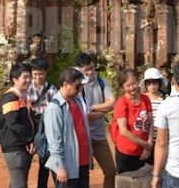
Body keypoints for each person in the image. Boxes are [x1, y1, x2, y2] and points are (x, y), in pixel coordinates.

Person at [43, 67, 92, 188]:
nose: (80, 89)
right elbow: (54, 142)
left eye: (81, 86)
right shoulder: (55, 108)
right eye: (77, 86)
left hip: (82, 161)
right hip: (67, 165)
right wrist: (59, 167)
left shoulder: (77, 102)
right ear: (65, 84)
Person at [75, 52, 117, 188]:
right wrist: (104, 111)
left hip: (99, 137)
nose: (90, 72)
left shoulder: (102, 82)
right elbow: (83, 115)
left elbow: (112, 103)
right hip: (82, 138)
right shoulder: (78, 87)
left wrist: (91, 107)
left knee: (111, 171)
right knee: (83, 174)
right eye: (86, 70)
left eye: (91, 68)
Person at [0, 62, 36, 188]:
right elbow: (13, 123)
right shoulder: (10, 98)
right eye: (25, 77)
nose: (28, 80)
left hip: (22, 147)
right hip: (15, 147)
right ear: (15, 79)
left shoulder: (22, 97)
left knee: (17, 183)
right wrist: (29, 139)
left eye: (29, 77)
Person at [111, 68, 153, 173]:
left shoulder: (145, 99)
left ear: (138, 81)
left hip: (144, 151)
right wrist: (145, 144)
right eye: (128, 85)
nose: (132, 88)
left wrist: (149, 144)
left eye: (134, 83)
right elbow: (124, 131)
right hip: (127, 152)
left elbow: (150, 122)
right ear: (122, 87)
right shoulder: (121, 103)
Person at [27, 57, 58, 188]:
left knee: (46, 161)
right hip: (32, 126)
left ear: (46, 72)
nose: (38, 77)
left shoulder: (52, 89)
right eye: (35, 74)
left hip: (47, 128)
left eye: (41, 74)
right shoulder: (27, 89)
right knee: (25, 163)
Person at [142, 67, 167, 159]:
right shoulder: (141, 99)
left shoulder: (166, 99)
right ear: (145, 84)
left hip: (162, 139)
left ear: (159, 83)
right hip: (144, 140)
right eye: (149, 82)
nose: (152, 85)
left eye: (155, 82)